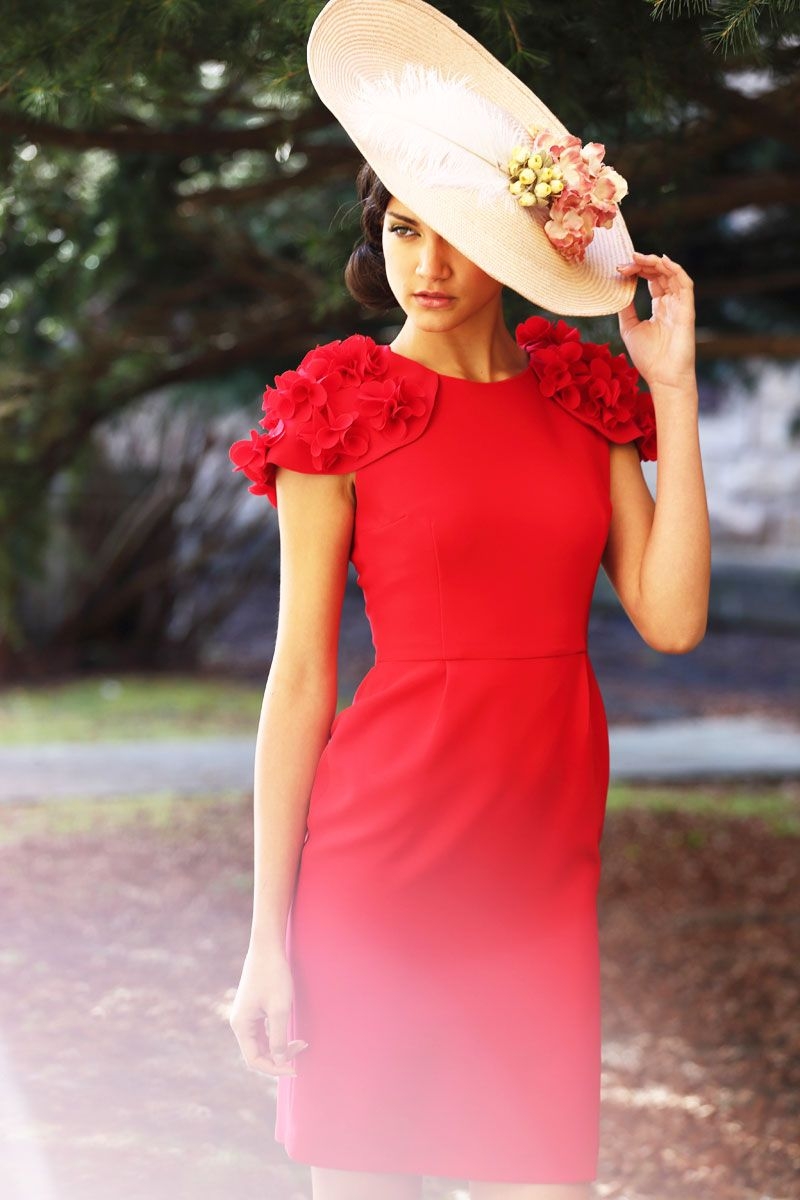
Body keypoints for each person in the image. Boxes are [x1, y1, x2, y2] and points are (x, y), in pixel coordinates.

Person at [227, 2, 711, 1199]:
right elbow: (298, 686)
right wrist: (266, 947)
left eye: (450, 234)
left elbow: (671, 618)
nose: (426, 265)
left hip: (536, 874)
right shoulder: (339, 405)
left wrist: (674, 391)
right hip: (375, 868)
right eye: (401, 229)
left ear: (507, 245)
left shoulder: (587, 399)